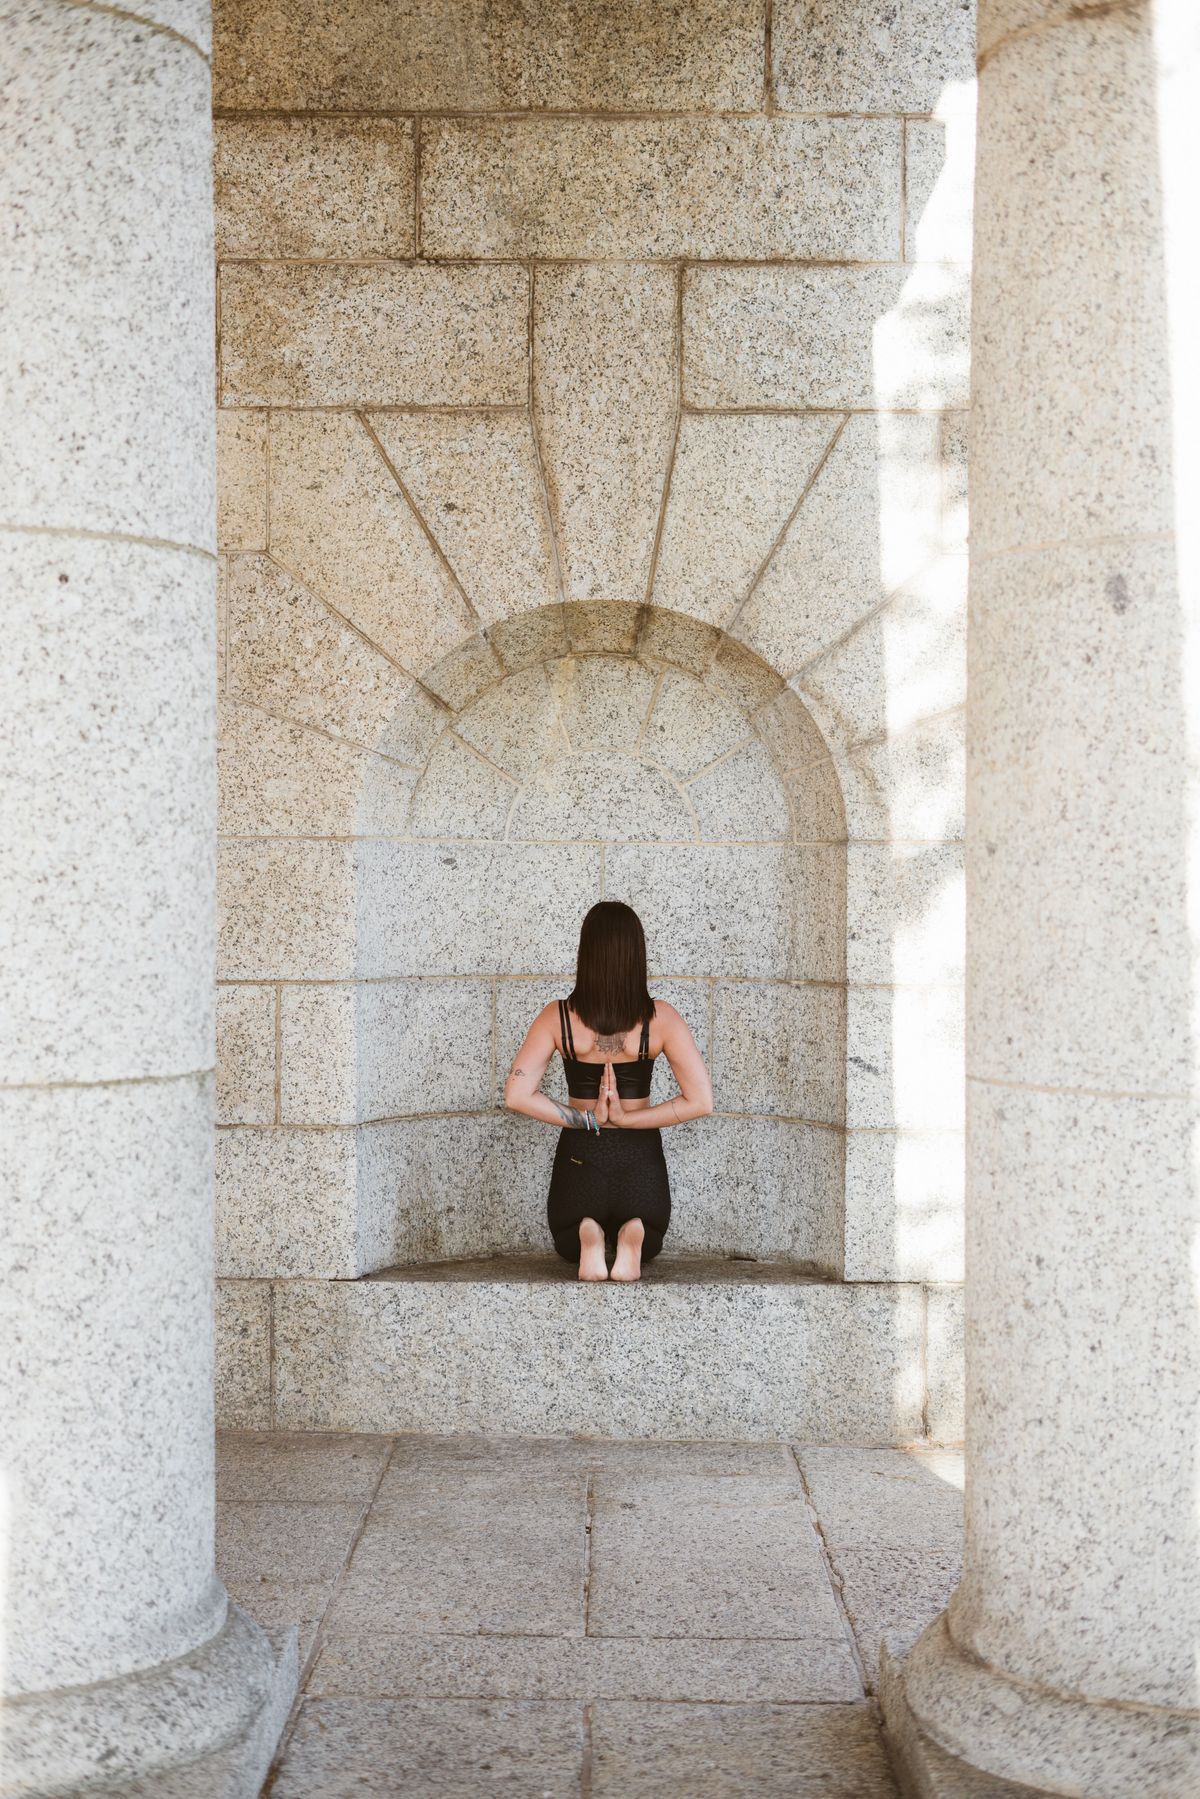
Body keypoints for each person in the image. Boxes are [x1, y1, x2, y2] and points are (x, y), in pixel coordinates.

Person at [504, 901, 714, 1281]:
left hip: (581, 1156)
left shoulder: (558, 1017)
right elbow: (700, 1101)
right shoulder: (661, 1018)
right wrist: (627, 1119)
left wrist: (587, 1119)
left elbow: (517, 1094)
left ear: (586, 955)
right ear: (636, 955)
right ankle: (633, 1233)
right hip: (640, 1160)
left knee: (567, 1236)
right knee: (650, 1236)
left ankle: (588, 1233)